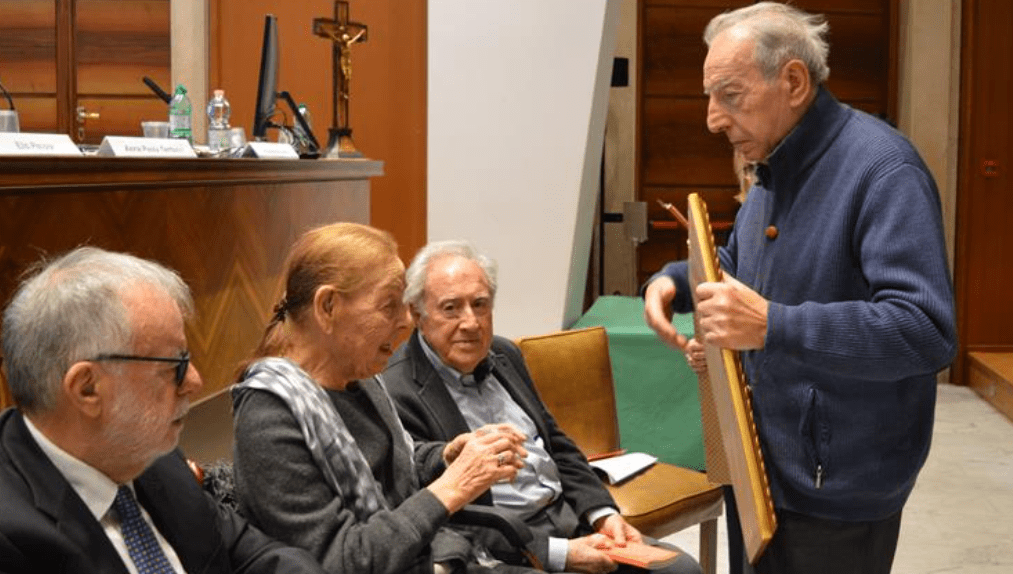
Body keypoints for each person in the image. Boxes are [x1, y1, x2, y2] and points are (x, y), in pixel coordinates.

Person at [642, 3, 957, 574]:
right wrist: (674, 281)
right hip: (759, 465)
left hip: (836, 490)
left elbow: (925, 331)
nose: (712, 119)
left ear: (792, 81)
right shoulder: (772, 164)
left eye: (730, 95)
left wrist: (773, 325)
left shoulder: (884, 170)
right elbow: (738, 268)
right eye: (709, 96)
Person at [230, 222, 539, 574]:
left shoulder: (359, 376)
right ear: (328, 306)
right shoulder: (269, 419)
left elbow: (395, 464)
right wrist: (452, 487)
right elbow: (339, 561)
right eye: (389, 305)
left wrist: (445, 457)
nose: (407, 320)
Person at [0, 246, 326, 574]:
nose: (195, 382)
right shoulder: (13, 543)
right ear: (88, 388)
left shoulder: (149, 454)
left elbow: (251, 553)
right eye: (175, 365)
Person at [383, 240, 703, 574]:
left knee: (681, 570)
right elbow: (441, 515)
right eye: (451, 308)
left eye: (480, 304)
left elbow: (557, 443)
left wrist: (602, 514)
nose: (471, 322)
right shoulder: (398, 390)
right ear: (418, 314)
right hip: (504, 550)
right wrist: (560, 553)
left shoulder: (504, 354)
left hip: (570, 518)